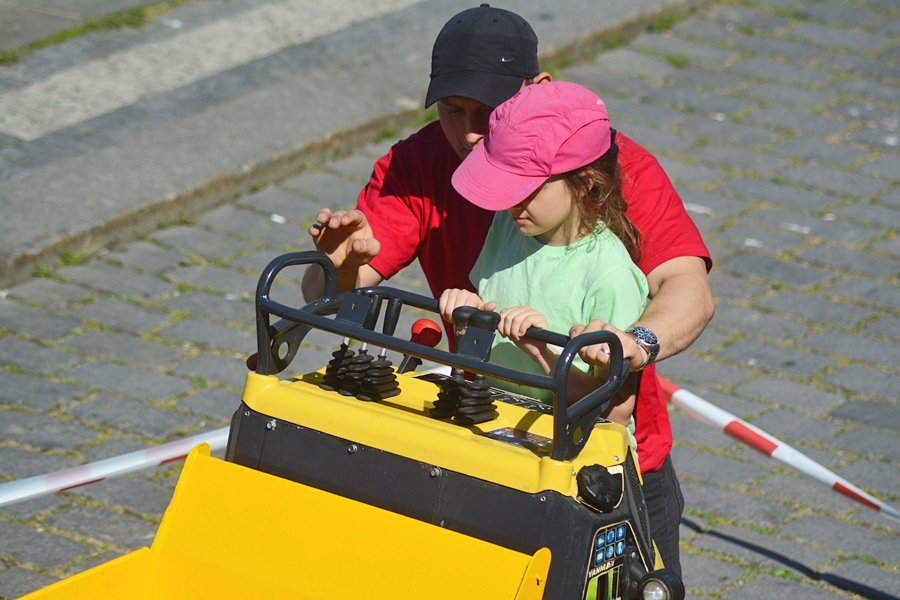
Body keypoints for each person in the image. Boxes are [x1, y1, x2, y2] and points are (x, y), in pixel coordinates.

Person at [301, 4, 714, 575]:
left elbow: (687, 286)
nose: (469, 134)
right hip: (486, 435)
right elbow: (329, 290)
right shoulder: (417, 162)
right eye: (452, 110)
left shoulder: (605, 165)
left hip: (607, 456)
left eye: (487, 112)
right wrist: (337, 268)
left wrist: (634, 341)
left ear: (537, 88)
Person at [438, 81, 647, 452]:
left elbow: (614, 411)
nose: (512, 202)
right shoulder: (508, 226)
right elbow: (486, 340)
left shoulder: (610, 275)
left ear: (583, 182)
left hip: (569, 457)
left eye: (527, 187)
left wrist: (542, 353)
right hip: (495, 431)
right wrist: (467, 311)